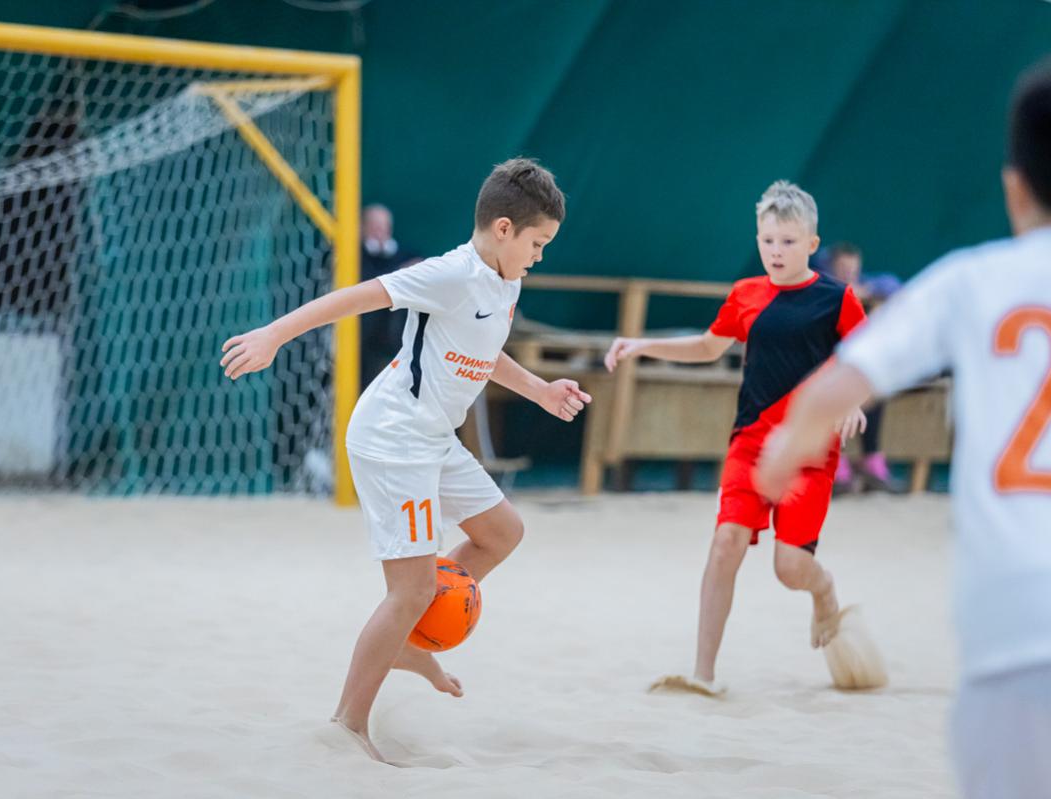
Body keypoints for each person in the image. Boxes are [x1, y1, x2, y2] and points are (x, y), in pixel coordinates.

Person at [757, 55, 1051, 799]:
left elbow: (839, 383)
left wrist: (784, 449)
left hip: (1015, 620)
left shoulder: (972, 278)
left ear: (1015, 188)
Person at [219, 158, 590, 761]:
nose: (540, 256)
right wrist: (273, 336)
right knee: (410, 590)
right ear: (503, 229)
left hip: (434, 437)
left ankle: (410, 638)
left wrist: (541, 391)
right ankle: (348, 725)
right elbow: (354, 298)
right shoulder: (449, 273)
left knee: (503, 532)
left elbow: (484, 350)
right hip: (393, 438)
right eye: (538, 243)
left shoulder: (506, 279)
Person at [604, 181, 867, 695]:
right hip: (751, 443)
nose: (776, 251)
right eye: (768, 240)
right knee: (726, 542)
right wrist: (642, 344)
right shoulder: (746, 293)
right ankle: (703, 674)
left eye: (788, 241)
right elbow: (708, 347)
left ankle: (824, 591)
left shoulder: (838, 299)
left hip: (809, 451)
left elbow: (869, 359)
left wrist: (853, 400)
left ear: (812, 244)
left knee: (790, 568)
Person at [826, 243, 903, 494]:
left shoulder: (866, 288)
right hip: (823, 368)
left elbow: (893, 285)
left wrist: (867, 289)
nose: (848, 273)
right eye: (842, 268)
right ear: (832, 266)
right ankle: (835, 462)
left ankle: (870, 460)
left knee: (874, 389)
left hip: (854, 369)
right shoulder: (820, 288)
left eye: (853, 268)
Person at [359, 204, 420, 391]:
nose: (380, 232)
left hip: (394, 340)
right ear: (363, 228)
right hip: (361, 340)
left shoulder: (406, 255)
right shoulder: (353, 257)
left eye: (383, 226)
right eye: (374, 226)